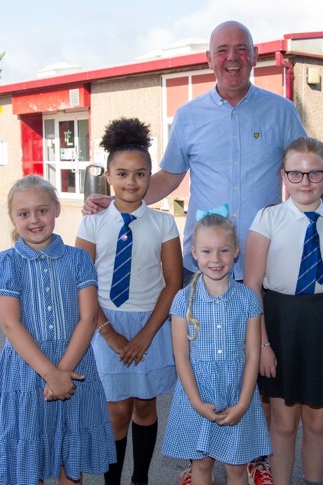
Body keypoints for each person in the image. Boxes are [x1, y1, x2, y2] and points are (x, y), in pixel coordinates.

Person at [86, 19, 323, 484]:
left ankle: (251, 458)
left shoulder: (280, 111)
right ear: (209, 59)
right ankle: (202, 460)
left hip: (260, 263)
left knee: (255, 361)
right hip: (207, 262)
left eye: (241, 49)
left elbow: (306, 168)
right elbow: (169, 178)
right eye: (222, 50)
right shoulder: (191, 116)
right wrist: (115, 200)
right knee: (207, 360)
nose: (231, 58)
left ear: (255, 56)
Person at [243, 137, 323, 485]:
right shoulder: (267, 219)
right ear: (283, 176)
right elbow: (252, 285)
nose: (306, 182)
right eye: (296, 174)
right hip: (281, 325)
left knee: (318, 422)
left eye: (314, 174)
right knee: (283, 424)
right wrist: (263, 344)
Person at [0, 175, 116, 485]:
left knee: (70, 462)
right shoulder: (5, 264)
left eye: (42, 210)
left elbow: (87, 317)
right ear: (13, 217)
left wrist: (63, 372)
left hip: (74, 365)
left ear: (56, 209)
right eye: (24, 213)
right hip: (27, 370)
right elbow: (11, 324)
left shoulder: (79, 259)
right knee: (30, 461)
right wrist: (50, 374)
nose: (34, 220)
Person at [76, 118, 183, 485]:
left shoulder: (163, 224)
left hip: (151, 325)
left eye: (140, 174)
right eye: (122, 174)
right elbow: (83, 282)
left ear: (150, 178)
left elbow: (172, 283)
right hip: (104, 323)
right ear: (107, 176)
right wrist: (107, 333)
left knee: (145, 405)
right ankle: (112, 481)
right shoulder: (91, 224)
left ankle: (140, 478)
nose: (130, 182)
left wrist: (146, 336)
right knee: (117, 410)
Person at [161, 211, 272, 485]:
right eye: (207, 251)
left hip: (237, 392)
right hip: (195, 394)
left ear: (235, 251)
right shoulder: (182, 300)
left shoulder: (248, 298)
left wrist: (244, 402)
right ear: (194, 252)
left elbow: (253, 354)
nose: (216, 259)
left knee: (236, 468)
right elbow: (181, 357)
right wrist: (197, 402)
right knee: (201, 466)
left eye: (223, 250)